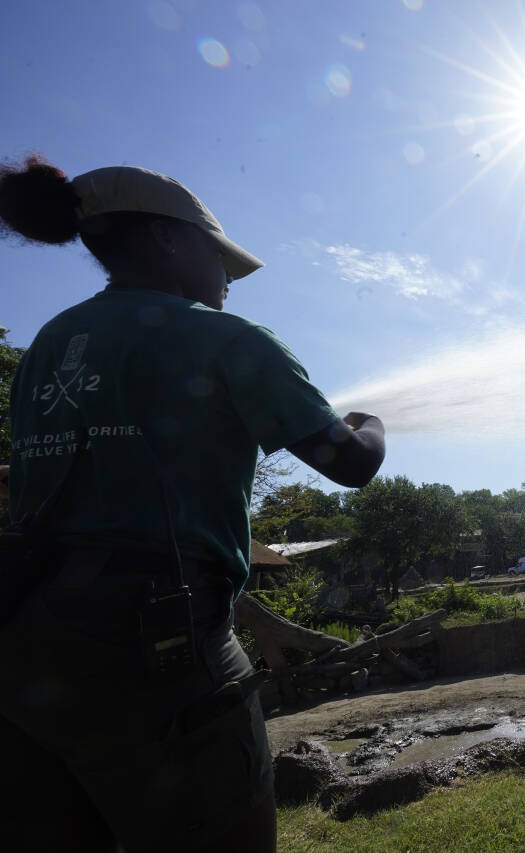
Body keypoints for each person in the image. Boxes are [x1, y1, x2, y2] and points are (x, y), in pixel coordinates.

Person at [0, 156, 385, 852]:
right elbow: (349, 463)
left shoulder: (48, 345)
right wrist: (371, 422)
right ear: (168, 238)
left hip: (25, 654)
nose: (228, 280)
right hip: (161, 654)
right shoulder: (227, 339)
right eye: (221, 258)